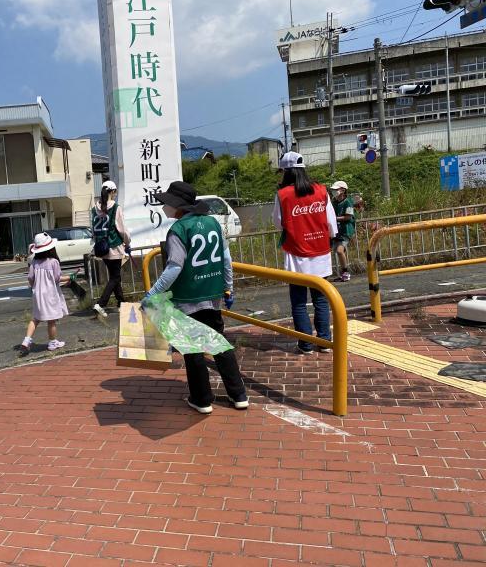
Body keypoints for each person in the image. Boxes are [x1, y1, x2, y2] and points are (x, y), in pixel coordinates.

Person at [142, 181, 248, 414]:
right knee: (218, 342)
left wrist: (151, 293)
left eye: (166, 203)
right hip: (212, 293)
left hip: (188, 297)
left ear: (177, 206)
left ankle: (202, 399)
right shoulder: (212, 223)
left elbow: (173, 268)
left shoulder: (178, 230)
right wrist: (228, 287)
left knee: (192, 348)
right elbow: (226, 260)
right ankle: (238, 394)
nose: (163, 207)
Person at [273, 152, 338, 355]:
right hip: (320, 251)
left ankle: (306, 344)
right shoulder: (321, 190)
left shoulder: (283, 194)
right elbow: (331, 222)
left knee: (299, 301)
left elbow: (277, 222)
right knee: (321, 298)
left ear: (286, 171)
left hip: (297, 253)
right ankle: (325, 341)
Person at [20, 232, 71, 353]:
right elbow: (57, 278)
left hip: (38, 294)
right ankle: (53, 342)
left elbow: (30, 278)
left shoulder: (34, 263)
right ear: (50, 248)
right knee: (51, 320)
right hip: (50, 295)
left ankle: (26, 340)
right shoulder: (53, 262)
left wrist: (34, 288)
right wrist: (69, 278)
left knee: (35, 318)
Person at [91, 180, 131, 318]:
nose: (115, 195)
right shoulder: (116, 207)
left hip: (102, 248)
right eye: (115, 192)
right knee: (115, 277)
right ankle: (101, 304)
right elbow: (122, 229)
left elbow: (93, 230)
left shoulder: (94, 209)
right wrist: (128, 242)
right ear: (112, 192)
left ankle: (121, 303)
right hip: (114, 246)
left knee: (115, 276)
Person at [330, 180, 355, 282]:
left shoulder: (348, 202)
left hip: (345, 230)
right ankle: (342, 273)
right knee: (337, 252)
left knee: (340, 251)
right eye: (333, 190)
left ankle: (346, 272)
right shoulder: (334, 202)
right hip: (336, 231)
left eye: (336, 189)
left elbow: (348, 217)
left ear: (343, 190)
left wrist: (334, 218)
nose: (334, 191)